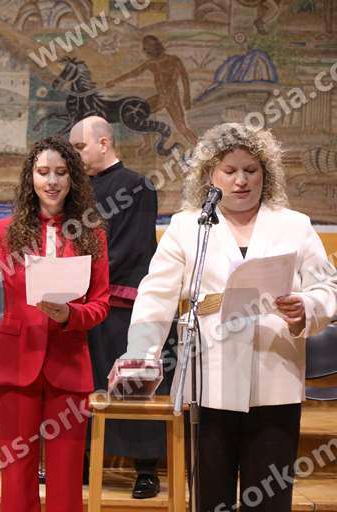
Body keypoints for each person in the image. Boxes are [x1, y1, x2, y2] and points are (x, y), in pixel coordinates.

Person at [119, 123, 337, 511]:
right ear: (210, 174)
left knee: (269, 499)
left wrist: (306, 307)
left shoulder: (295, 225)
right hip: (210, 382)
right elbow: (155, 296)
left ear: (266, 173)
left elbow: (328, 287)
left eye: (251, 170)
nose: (241, 180)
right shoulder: (189, 226)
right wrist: (141, 353)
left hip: (275, 379)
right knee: (210, 498)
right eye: (230, 170)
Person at [0, 136, 110, 512]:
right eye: (43, 172)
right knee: (17, 473)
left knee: (66, 476)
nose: (52, 181)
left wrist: (71, 315)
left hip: (69, 365)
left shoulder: (92, 234)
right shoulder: (5, 231)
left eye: (61, 172)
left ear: (73, 178)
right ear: (31, 178)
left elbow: (100, 304)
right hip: (16, 364)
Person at [69, 117, 163, 498]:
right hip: (83, 302)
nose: (76, 156)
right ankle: (84, 460)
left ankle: (146, 470)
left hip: (122, 303)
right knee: (84, 384)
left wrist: (91, 276)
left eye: (80, 148)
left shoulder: (138, 186)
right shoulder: (77, 189)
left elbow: (135, 245)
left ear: (104, 143)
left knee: (132, 385)